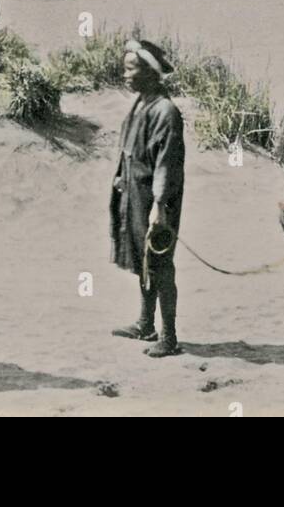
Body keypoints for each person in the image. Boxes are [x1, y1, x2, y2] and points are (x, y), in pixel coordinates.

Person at [109, 38, 185, 357]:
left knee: (159, 263)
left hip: (156, 202)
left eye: (131, 68)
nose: (125, 74)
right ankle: (145, 324)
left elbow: (166, 163)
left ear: (150, 72)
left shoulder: (166, 112)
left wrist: (159, 206)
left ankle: (168, 337)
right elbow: (132, 149)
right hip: (134, 194)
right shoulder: (142, 103)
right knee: (143, 260)